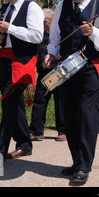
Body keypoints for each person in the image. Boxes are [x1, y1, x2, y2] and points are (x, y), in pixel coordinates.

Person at [44, 0, 99, 184]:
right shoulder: (62, 5)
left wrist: (93, 32)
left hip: (90, 67)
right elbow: (56, 34)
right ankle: (76, 161)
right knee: (70, 115)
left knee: (87, 116)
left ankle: (85, 166)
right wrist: (51, 53)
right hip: (66, 68)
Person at [0, 0, 44, 165]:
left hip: (22, 63)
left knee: (8, 105)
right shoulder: (1, 9)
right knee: (14, 103)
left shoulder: (31, 7)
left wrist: (10, 29)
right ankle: (24, 143)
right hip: (3, 61)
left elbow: (37, 36)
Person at [28, 8, 66, 141]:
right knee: (39, 98)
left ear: (51, 21)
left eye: (44, 21)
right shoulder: (40, 34)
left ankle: (63, 131)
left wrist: (53, 59)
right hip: (44, 70)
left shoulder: (61, 32)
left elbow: (65, 50)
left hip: (59, 70)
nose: (41, 23)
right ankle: (36, 130)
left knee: (60, 100)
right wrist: (40, 64)